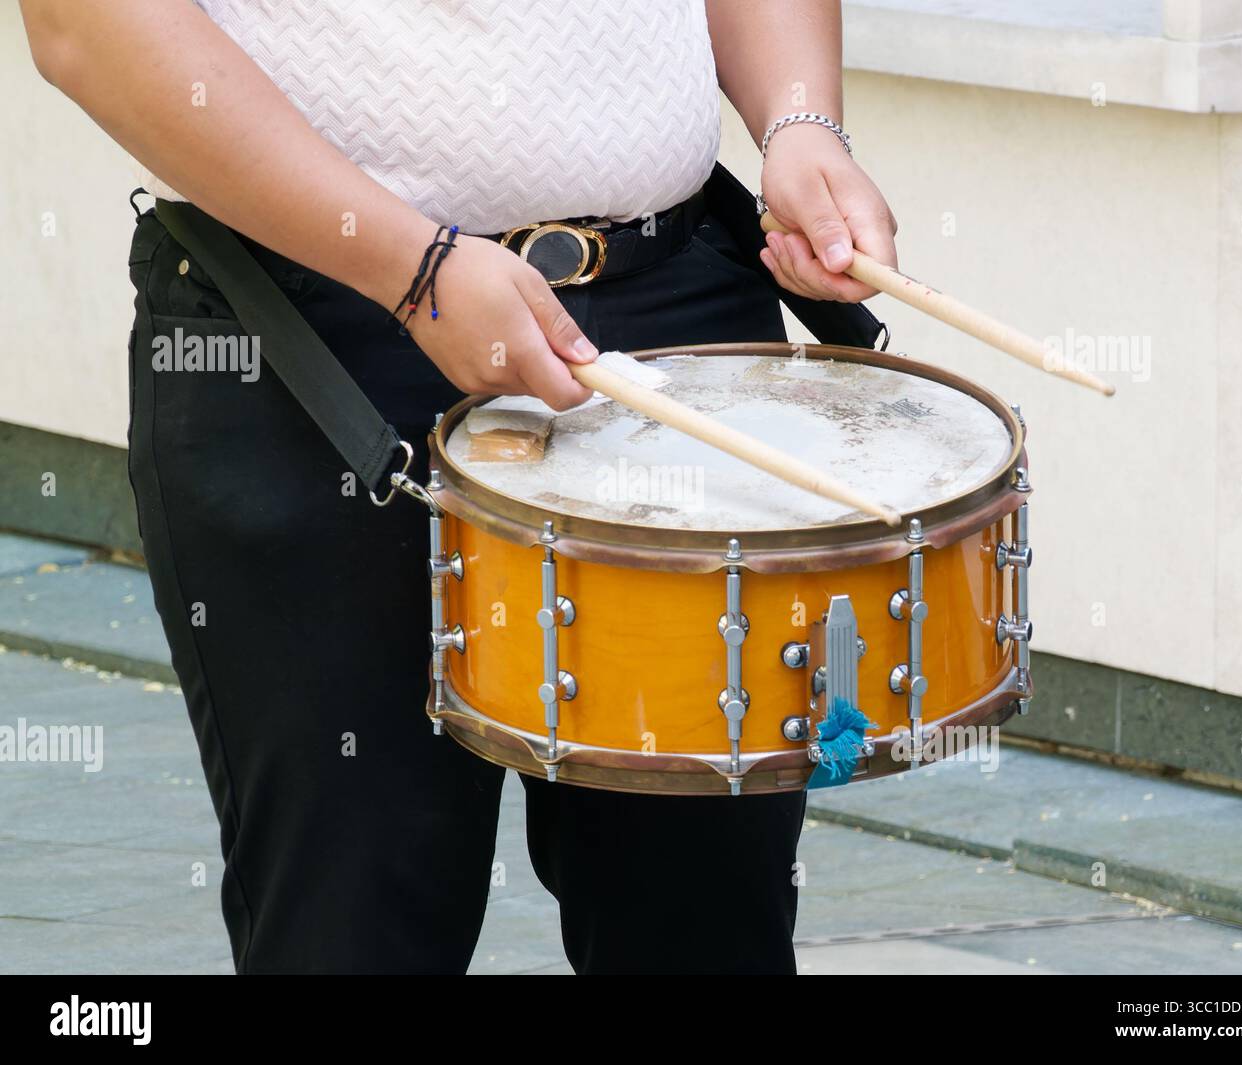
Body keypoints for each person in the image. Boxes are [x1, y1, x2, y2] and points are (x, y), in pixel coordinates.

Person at [20, 0, 899, 974]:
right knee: (352, 925)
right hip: (310, 319)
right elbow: (84, 27)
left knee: (705, 926)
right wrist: (412, 267)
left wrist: (799, 118)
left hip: (674, 302)